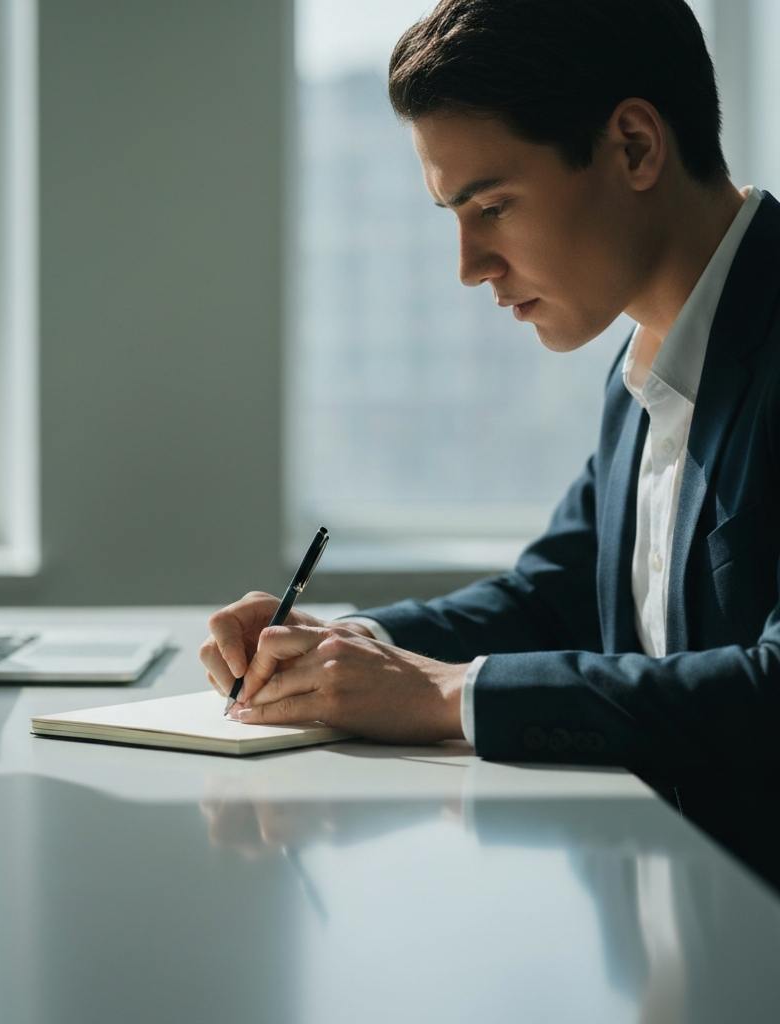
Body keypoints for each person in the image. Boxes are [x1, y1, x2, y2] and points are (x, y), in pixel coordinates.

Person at [200, 0, 780, 781]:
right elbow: (552, 600)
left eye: (493, 208)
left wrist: (451, 696)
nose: (470, 266)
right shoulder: (643, 369)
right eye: (454, 216)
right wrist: (346, 645)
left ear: (635, 147)